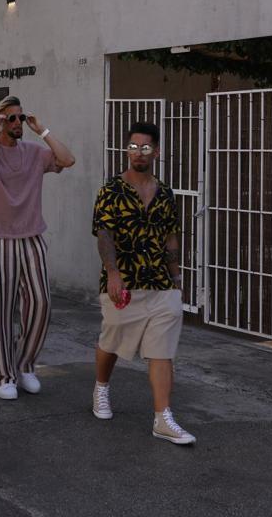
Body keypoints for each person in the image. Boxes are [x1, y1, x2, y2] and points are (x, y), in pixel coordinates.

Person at [90, 121, 195, 445]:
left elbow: (171, 234)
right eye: (133, 147)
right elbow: (104, 233)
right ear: (127, 150)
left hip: (160, 283)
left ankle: (163, 418)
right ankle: (101, 388)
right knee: (112, 341)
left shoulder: (164, 192)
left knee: (162, 351)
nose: (138, 153)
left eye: (145, 148)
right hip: (124, 282)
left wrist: (176, 276)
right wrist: (114, 272)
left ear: (156, 152)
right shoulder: (111, 189)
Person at [0, 95, 75, 400]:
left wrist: (41, 130)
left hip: (31, 236)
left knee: (42, 302)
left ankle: (25, 363)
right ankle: (6, 375)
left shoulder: (34, 152)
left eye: (20, 118)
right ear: (0, 121)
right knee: (2, 308)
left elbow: (67, 160)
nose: (17, 123)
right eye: (10, 119)